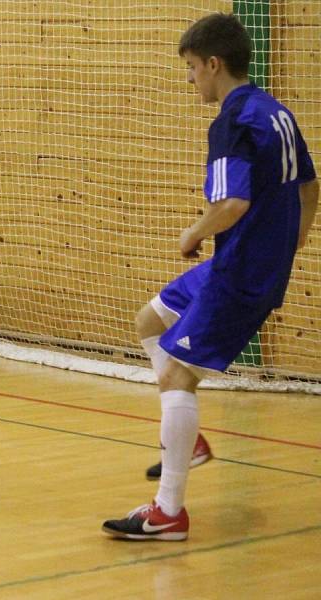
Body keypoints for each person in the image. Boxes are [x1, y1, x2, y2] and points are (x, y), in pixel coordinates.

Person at [103, 13, 318, 541]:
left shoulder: (233, 120)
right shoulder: (277, 111)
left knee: (178, 378)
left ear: (214, 64)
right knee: (149, 321)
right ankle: (190, 442)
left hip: (240, 275)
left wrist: (192, 233)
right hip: (239, 264)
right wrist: (294, 240)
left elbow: (233, 202)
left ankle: (168, 511)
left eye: (192, 69)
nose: (190, 79)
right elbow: (311, 187)